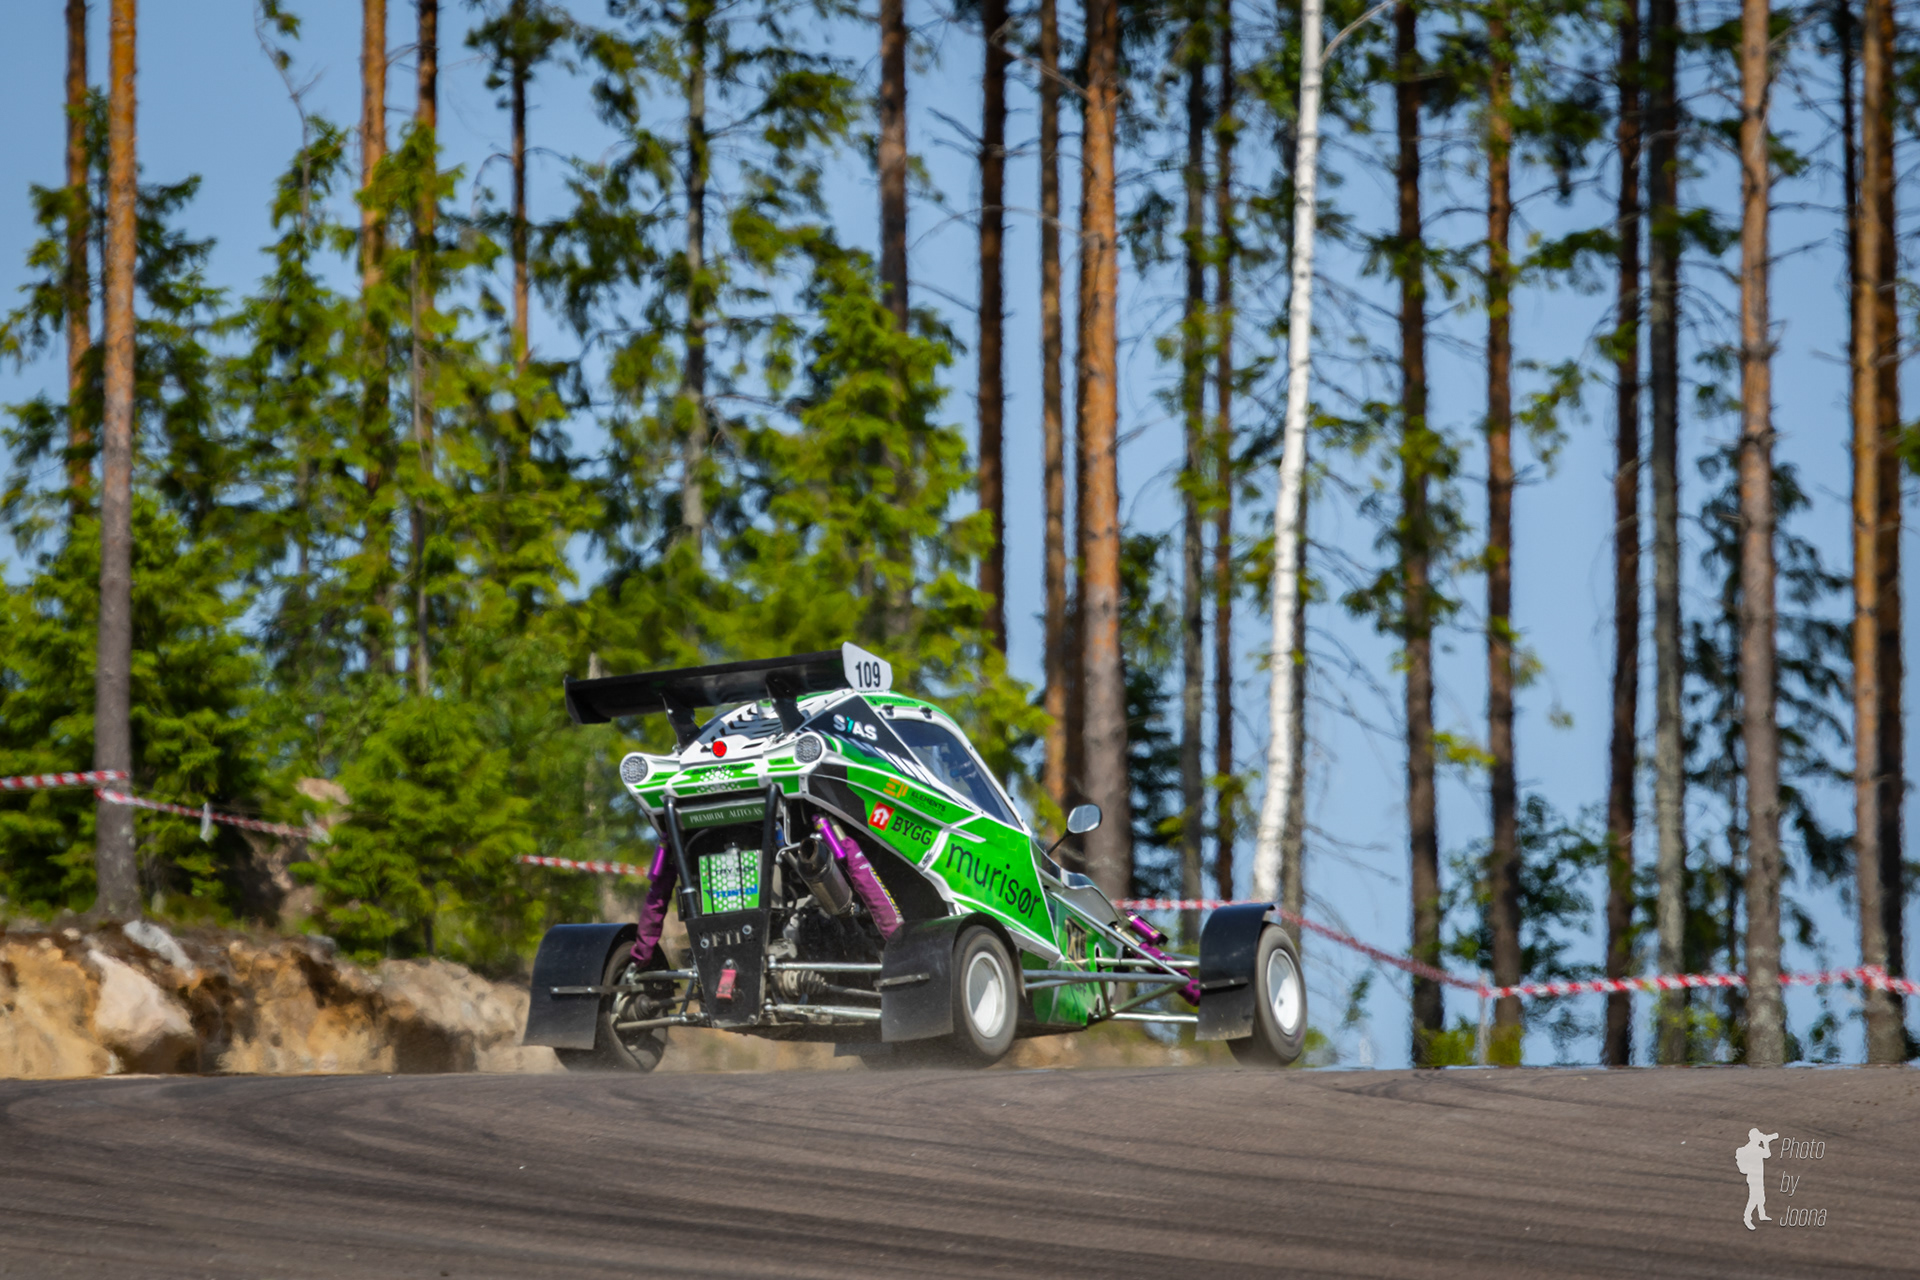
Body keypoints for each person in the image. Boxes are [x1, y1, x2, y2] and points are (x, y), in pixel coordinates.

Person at [1735, 1128, 1779, 1230]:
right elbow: (1767, 1155)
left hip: (1757, 1176)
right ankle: (1747, 1218)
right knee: (1754, 1198)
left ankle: (1762, 1215)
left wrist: (1765, 1141)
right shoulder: (1755, 1149)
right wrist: (1766, 1143)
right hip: (1754, 1177)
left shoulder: (1753, 1148)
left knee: (1761, 1197)